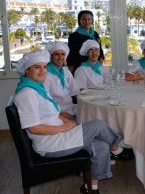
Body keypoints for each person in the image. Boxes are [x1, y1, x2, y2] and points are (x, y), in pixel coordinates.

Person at [13, 49, 134, 194]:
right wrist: (65, 127)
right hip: (50, 144)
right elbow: (34, 128)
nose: (42, 70)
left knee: (101, 145)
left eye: (44, 67)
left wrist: (68, 121)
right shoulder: (27, 94)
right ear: (27, 71)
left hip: (57, 135)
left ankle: (91, 188)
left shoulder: (37, 88)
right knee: (98, 124)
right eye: (37, 67)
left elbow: (51, 114)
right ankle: (116, 148)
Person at [44, 41, 79, 117]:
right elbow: (44, 100)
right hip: (57, 113)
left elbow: (75, 92)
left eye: (63, 54)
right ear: (50, 56)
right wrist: (59, 114)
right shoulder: (45, 74)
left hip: (71, 108)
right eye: (57, 54)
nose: (60, 57)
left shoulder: (66, 71)